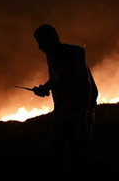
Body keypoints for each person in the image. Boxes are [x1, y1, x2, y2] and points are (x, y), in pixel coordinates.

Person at [32, 24, 98, 160]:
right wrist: (46, 88)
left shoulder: (74, 54)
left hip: (77, 110)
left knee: (77, 150)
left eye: (41, 42)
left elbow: (85, 85)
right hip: (64, 110)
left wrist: (85, 114)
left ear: (51, 40)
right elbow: (58, 78)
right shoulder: (52, 56)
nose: (39, 47)